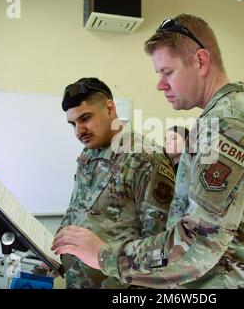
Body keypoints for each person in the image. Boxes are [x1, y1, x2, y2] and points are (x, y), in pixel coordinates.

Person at [52, 14, 244, 288]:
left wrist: (104, 255)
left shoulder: (228, 124)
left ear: (200, 61)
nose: (160, 84)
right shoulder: (221, 119)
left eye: (168, 72)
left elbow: (198, 244)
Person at [57, 77, 175, 288]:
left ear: (110, 109)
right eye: (73, 124)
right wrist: (55, 249)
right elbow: (75, 210)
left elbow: (159, 246)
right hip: (78, 281)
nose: (78, 131)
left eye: (85, 118)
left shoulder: (145, 158)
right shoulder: (89, 154)